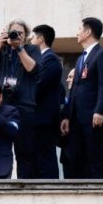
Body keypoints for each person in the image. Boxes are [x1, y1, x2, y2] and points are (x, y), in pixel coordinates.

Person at [0, 19, 40, 179]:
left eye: (20, 33)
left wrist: (19, 48)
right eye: (14, 32)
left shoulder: (32, 49)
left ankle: (24, 184)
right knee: (1, 146)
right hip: (3, 105)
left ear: (26, 36)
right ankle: (2, 180)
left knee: (24, 149)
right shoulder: (3, 49)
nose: (16, 36)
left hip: (25, 105)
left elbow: (31, 68)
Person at [60, 17, 103, 179]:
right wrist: (67, 116)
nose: (77, 33)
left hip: (92, 117)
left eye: (79, 29)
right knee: (77, 157)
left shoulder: (102, 54)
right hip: (76, 118)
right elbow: (74, 89)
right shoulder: (80, 59)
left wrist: (99, 111)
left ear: (88, 32)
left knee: (95, 156)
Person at [30, 24, 64, 179]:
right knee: (37, 157)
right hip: (38, 119)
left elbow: (40, 85)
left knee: (46, 158)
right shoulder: (41, 58)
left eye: (33, 37)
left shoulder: (49, 58)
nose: (30, 41)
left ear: (41, 39)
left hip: (44, 119)